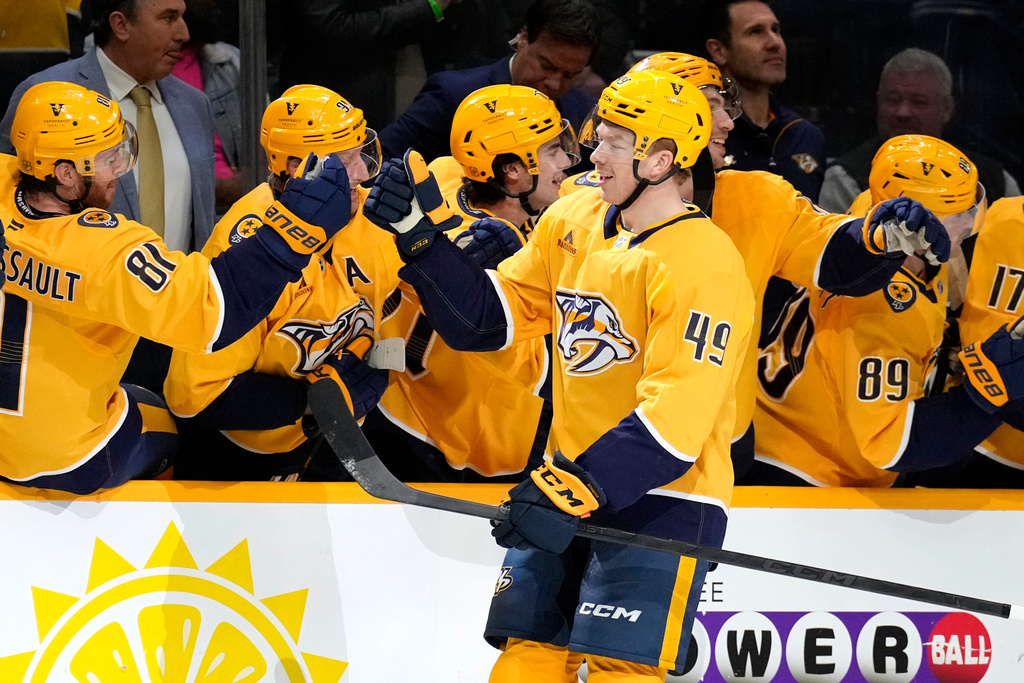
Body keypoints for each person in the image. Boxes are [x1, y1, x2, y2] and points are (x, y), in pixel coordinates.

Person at [365, 70, 754, 682]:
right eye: (597, 137)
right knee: (525, 661)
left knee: (619, 672)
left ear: (660, 158)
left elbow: (677, 419)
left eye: (614, 143)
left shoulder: (705, 263)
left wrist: (575, 487)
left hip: (663, 500)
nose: (593, 155)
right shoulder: (573, 217)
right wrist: (420, 239)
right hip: (568, 483)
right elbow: (488, 321)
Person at [565, 52, 954, 479]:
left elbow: (837, 258)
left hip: (713, 449)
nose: (729, 123)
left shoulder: (757, 198)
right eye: (711, 105)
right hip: (586, 440)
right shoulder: (580, 202)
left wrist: (881, 238)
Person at [0, 81, 353, 494]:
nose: (121, 170)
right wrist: (292, 237)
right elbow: (211, 311)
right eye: (108, 159)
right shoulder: (107, 249)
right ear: (64, 174)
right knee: (164, 422)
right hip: (66, 457)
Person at [748, 135, 1014, 487]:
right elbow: (892, 445)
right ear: (918, 218)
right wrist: (989, 393)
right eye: (957, 214)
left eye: (971, 207)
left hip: (785, 417)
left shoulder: (873, 219)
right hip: (806, 466)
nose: (970, 223)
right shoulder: (880, 309)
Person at [164, 85, 398, 482]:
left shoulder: (371, 213)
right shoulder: (246, 247)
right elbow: (196, 399)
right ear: (297, 168)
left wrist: (382, 368)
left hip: (328, 440)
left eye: (362, 153)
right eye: (346, 160)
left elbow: (393, 319)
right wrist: (317, 403)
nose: (363, 173)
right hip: (239, 457)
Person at [1, 0, 222, 393]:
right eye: (169, 18)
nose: (184, 33)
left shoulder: (194, 104)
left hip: (177, 332)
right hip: (77, 350)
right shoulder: (43, 97)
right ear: (121, 24)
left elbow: (199, 221)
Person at [363, 84, 579, 481]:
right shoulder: (504, 247)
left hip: (404, 406)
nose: (566, 161)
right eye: (551, 150)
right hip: (461, 432)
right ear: (512, 170)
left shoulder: (446, 174)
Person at [379, 0, 600, 163]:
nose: (554, 84)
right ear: (523, 39)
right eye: (547, 66)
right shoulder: (453, 95)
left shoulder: (582, 113)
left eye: (570, 75)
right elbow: (380, 161)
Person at [819, 48, 1021, 215]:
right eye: (893, 99)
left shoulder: (995, 182)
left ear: (947, 109)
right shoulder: (845, 179)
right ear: (878, 102)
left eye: (918, 102)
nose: (903, 112)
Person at [700, 0, 826, 202]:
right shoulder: (704, 133)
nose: (774, 42)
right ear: (719, 51)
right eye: (755, 32)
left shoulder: (806, 136)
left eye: (776, 30)